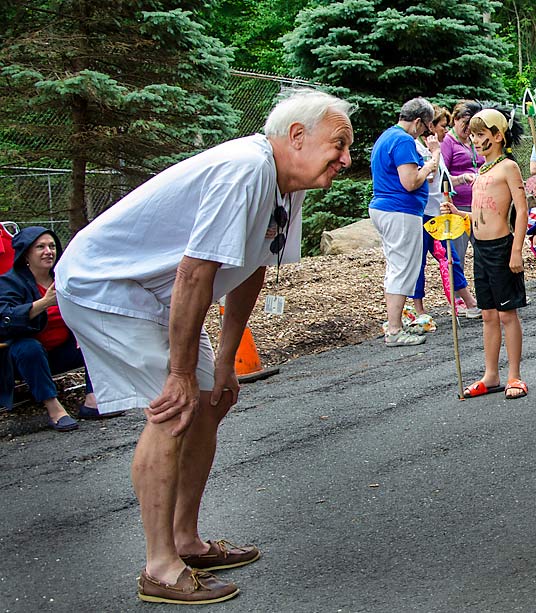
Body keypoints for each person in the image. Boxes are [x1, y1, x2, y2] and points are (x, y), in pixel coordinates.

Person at [54, 88, 355, 604]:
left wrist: (225, 365)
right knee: (174, 408)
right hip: (106, 287)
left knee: (209, 403)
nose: (347, 159)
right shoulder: (246, 169)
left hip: (156, 293)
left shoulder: (288, 184)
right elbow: (198, 270)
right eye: (340, 145)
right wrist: (177, 373)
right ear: (297, 136)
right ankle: (159, 567)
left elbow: (251, 270)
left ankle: (187, 540)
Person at [441, 106, 529, 399]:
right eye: (473, 135)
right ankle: (491, 375)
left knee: (507, 314)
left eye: (481, 134)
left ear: (498, 135)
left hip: (501, 248)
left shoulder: (508, 167)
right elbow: (479, 213)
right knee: (488, 314)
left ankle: (514, 375)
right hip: (480, 248)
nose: (475, 140)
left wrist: (517, 249)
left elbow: (521, 209)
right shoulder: (482, 170)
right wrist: (457, 212)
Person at [0, 227, 99, 431]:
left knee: (92, 336)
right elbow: (5, 320)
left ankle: (93, 401)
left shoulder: (62, 277)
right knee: (29, 347)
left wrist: (80, 331)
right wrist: (44, 302)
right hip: (22, 359)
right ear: (26, 253)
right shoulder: (9, 282)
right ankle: (54, 409)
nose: (48, 251)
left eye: (52, 246)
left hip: (59, 352)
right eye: (40, 247)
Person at [368, 97, 440, 347]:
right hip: (400, 210)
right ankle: (396, 330)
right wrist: (430, 164)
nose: (425, 132)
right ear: (418, 121)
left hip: (387, 209)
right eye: (425, 126)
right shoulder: (403, 141)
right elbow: (410, 182)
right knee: (402, 267)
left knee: (395, 266)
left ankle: (394, 323)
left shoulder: (386, 136)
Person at [409, 104, 479, 328]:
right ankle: (418, 308)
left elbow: (441, 182)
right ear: (430, 127)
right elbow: (426, 178)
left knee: (450, 258)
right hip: (423, 214)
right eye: (442, 126)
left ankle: (468, 302)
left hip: (439, 211)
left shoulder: (433, 149)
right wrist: (435, 153)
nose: (445, 132)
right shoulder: (421, 149)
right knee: (418, 261)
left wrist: (462, 179)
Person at [440, 100, 484, 288]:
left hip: (478, 203)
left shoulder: (474, 142)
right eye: (465, 124)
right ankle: (459, 296)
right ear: (455, 120)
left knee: (483, 249)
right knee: (457, 253)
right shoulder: (448, 142)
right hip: (458, 205)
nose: (468, 129)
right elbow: (443, 175)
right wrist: (462, 178)